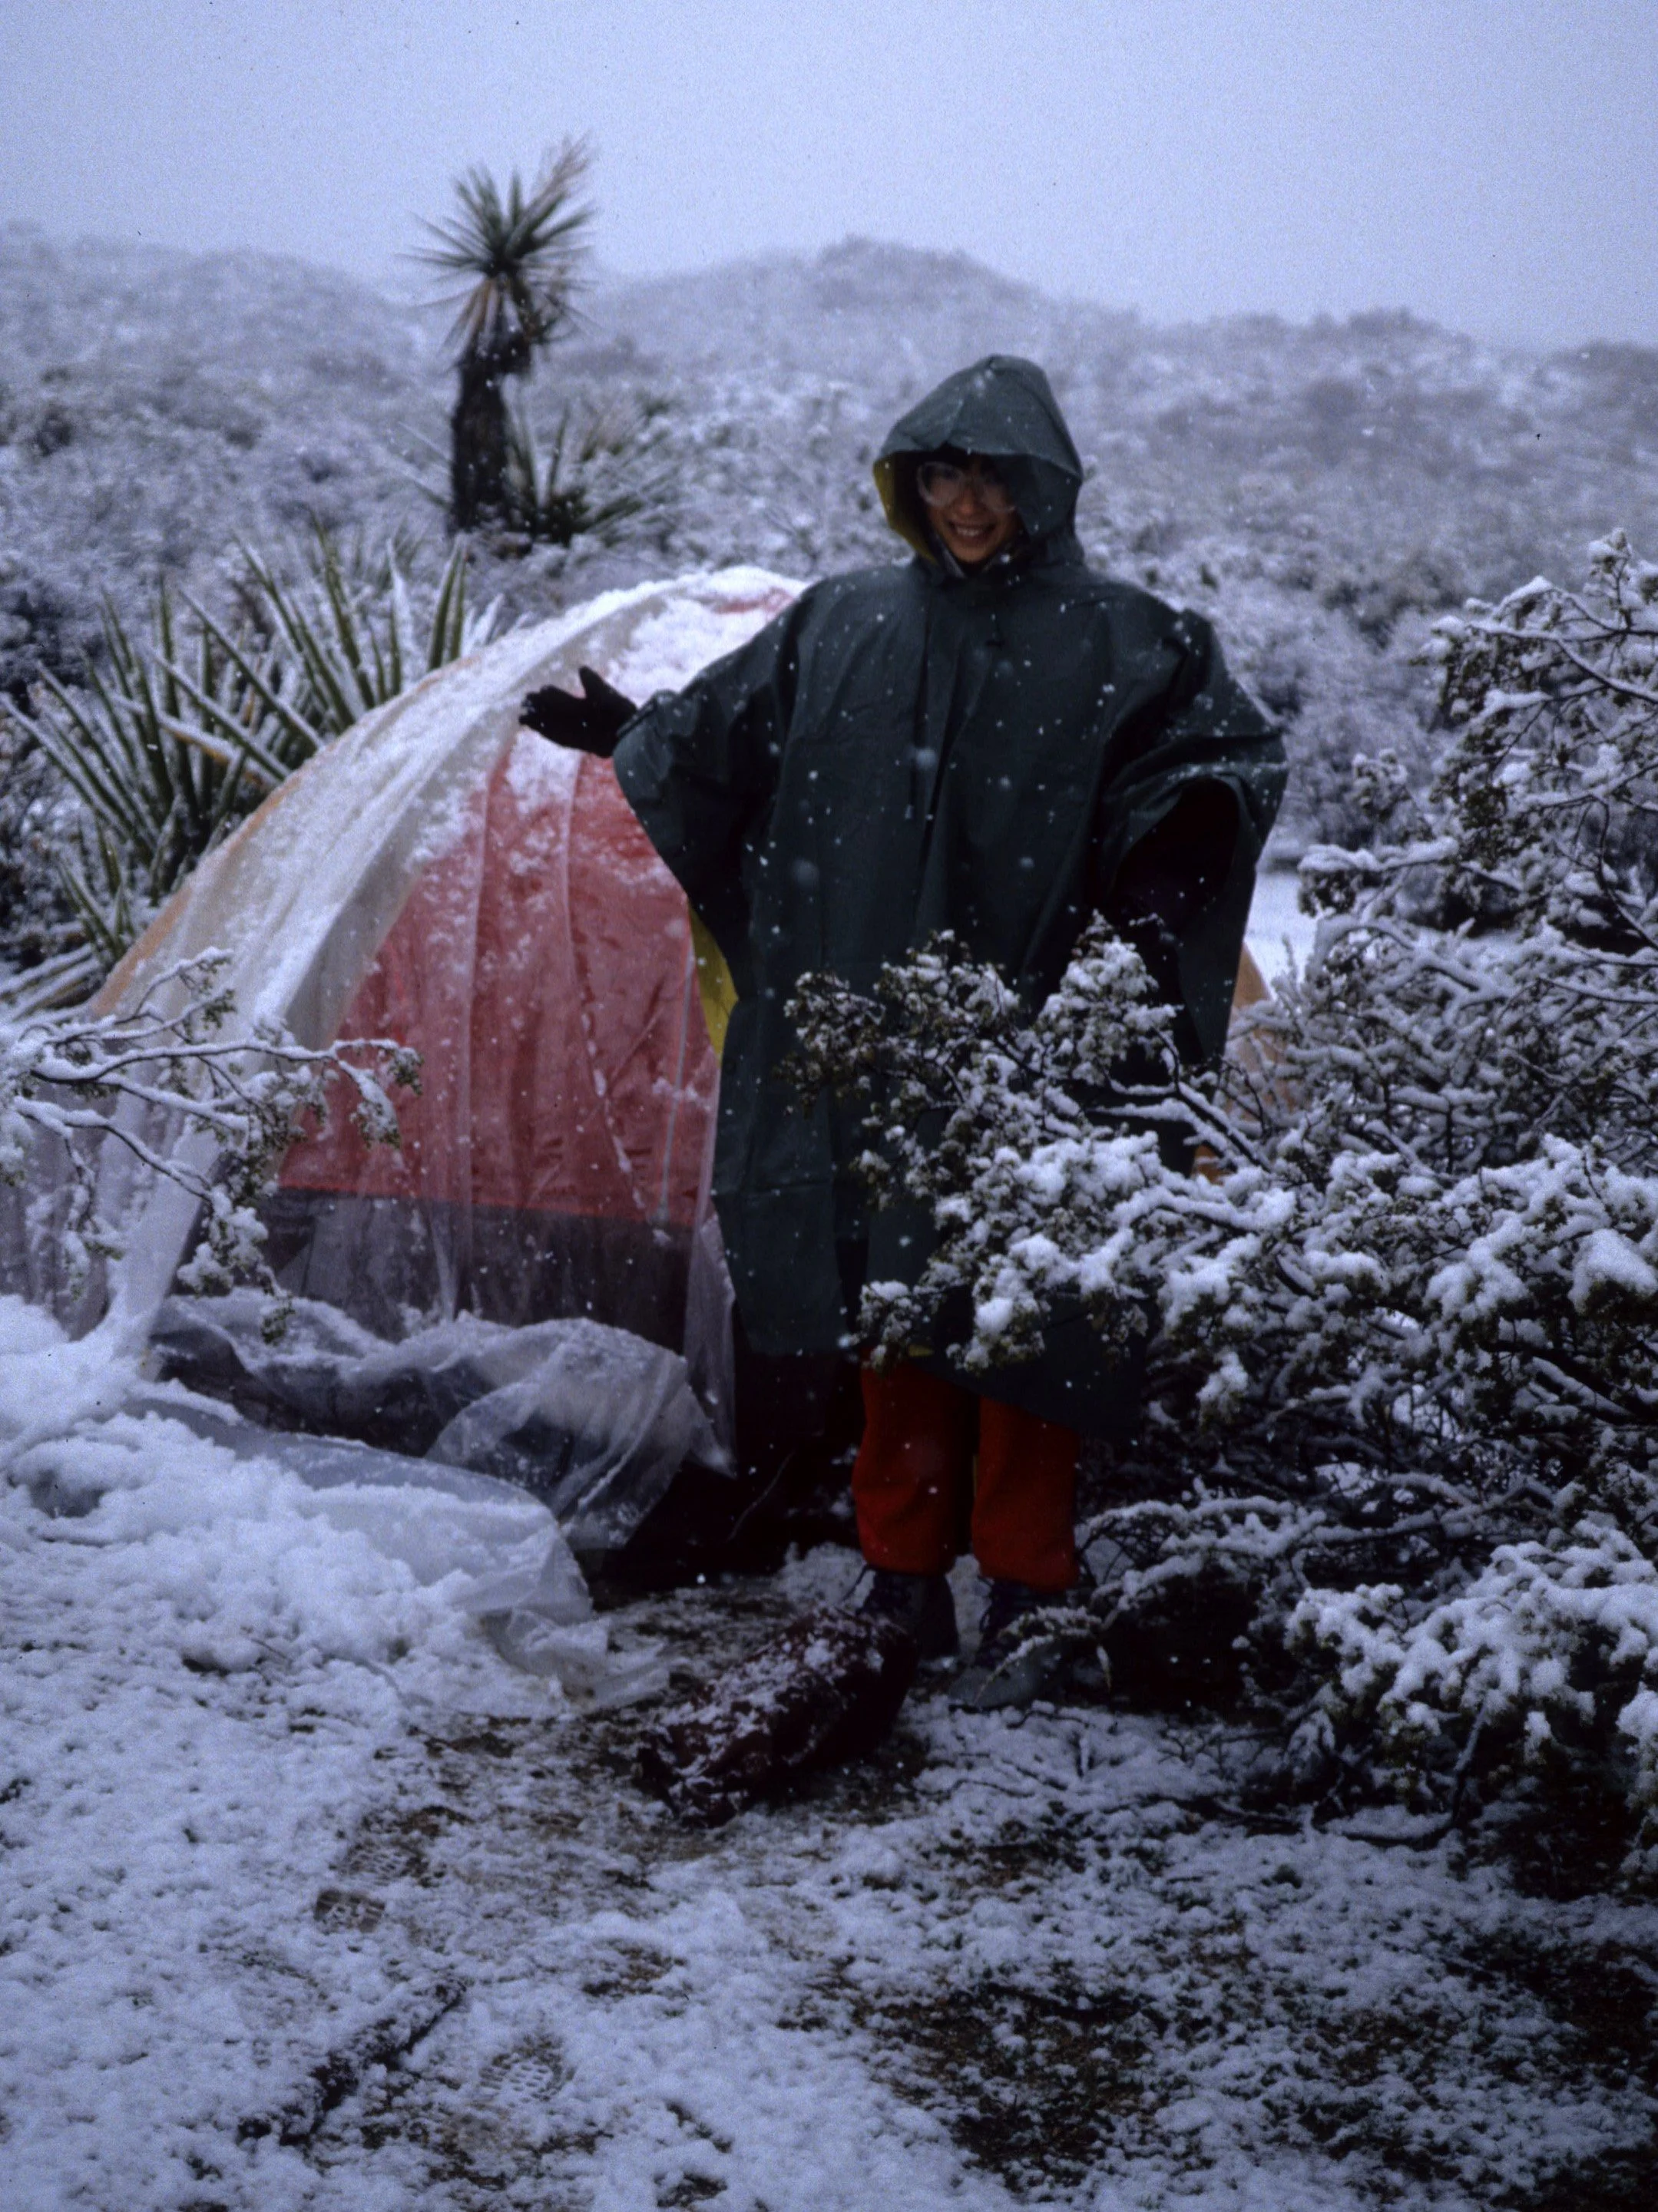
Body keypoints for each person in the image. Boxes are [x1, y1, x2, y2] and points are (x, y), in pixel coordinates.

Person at [522, 355, 1285, 1702]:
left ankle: (1032, 1590)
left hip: (1049, 1036)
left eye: (993, 475)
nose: (967, 502)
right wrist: (636, 735)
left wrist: (1169, 854)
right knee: (899, 1310)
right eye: (941, 474)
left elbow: (1216, 757)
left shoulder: (1128, 637)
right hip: (876, 1027)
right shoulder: (845, 622)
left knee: (1038, 1305)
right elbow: (733, 748)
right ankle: (902, 1578)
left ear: (1043, 485)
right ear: (907, 485)